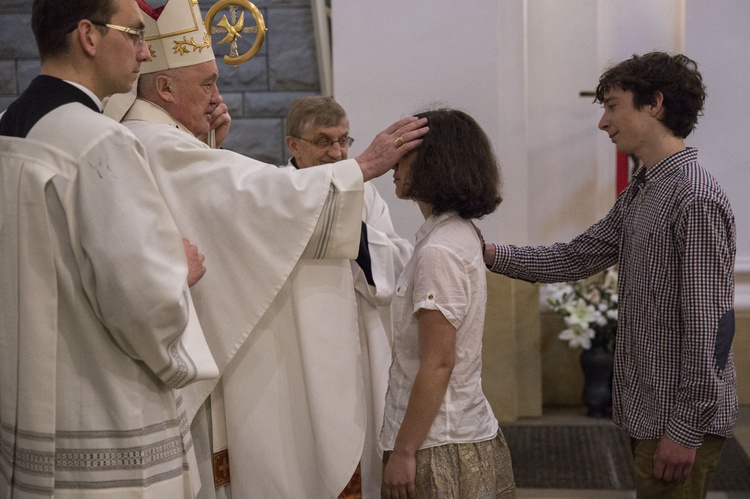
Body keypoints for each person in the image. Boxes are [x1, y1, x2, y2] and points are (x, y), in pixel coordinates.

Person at [103, 1, 428, 497]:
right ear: (165, 88)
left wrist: (209, 144)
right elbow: (251, 195)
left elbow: (217, 202)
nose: (218, 95)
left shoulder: (166, 138)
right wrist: (360, 167)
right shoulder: (153, 139)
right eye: (207, 83)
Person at [482, 52, 736, 499]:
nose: (603, 122)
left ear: (653, 103)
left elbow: (710, 325)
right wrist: (487, 253)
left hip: (676, 421)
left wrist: (686, 429)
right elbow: (576, 257)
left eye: (613, 105)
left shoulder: (694, 197)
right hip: (650, 413)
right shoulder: (644, 189)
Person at [0, 0, 218, 497]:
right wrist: (174, 277)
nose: (144, 52)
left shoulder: (10, 123)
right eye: (135, 34)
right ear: (89, 36)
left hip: (28, 405)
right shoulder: (99, 141)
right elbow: (139, 300)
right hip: (103, 427)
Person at [380, 108, 516, 499]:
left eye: (404, 153)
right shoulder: (457, 233)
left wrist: (404, 452)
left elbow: (439, 361)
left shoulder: (439, 250)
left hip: (436, 440)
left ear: (433, 162)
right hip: (450, 430)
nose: (393, 163)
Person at [284, 96, 413, 499]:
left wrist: (352, 235)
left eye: (343, 140)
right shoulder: (276, 193)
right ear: (293, 146)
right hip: (297, 350)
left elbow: (396, 259)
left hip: (357, 343)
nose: (337, 152)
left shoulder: (367, 197)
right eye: (324, 141)